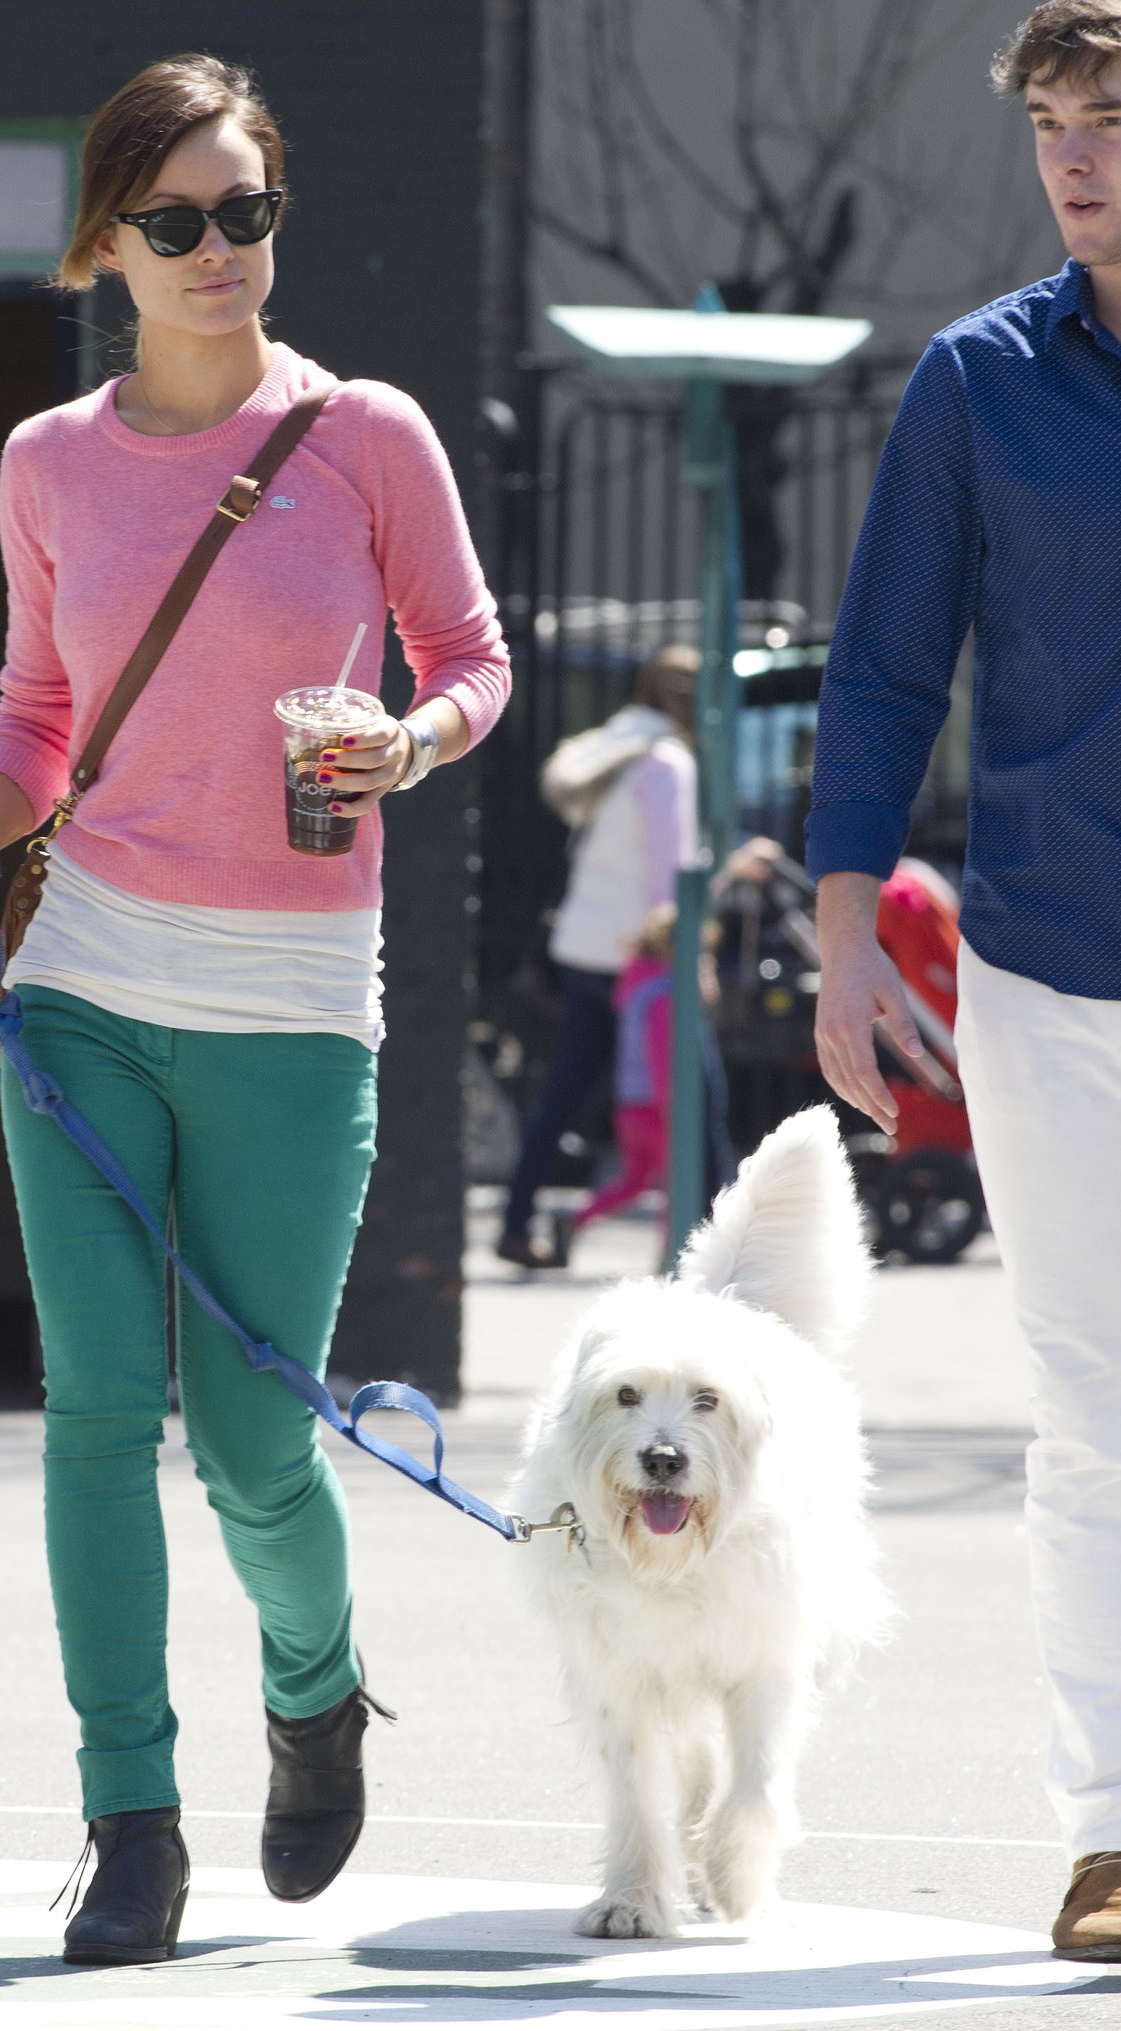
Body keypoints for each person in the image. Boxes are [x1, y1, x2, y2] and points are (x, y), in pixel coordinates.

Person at [0, 54, 510, 1966]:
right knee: (96, 1412)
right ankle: (129, 1820)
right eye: (173, 222)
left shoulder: (366, 435)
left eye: (244, 211)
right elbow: (37, 710)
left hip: (296, 1003)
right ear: (107, 244)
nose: (216, 249)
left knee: (253, 1444)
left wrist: (414, 736)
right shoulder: (47, 462)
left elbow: (472, 656)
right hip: (84, 983)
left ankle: (314, 1692)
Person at [808, 0, 1121, 1961]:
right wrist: (847, 933)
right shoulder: (978, 381)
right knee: (1090, 1409)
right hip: (1047, 967)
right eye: (1053, 125)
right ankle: (1110, 1830)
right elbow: (884, 670)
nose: (1076, 156)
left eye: (1112, 117)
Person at [496, 645, 698, 1267]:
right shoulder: (666, 762)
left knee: (563, 1094)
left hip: (583, 948)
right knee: (689, 1096)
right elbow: (671, 872)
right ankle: (697, 1240)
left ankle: (516, 1222)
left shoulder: (614, 746)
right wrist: (688, 954)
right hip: (639, 955)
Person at [573, 905, 675, 1231]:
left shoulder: (635, 989)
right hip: (656, 1106)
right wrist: (670, 1105)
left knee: (634, 1182)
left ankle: (576, 1219)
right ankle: (673, 1248)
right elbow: (660, 1057)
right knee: (677, 1183)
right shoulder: (663, 993)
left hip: (628, 1104)